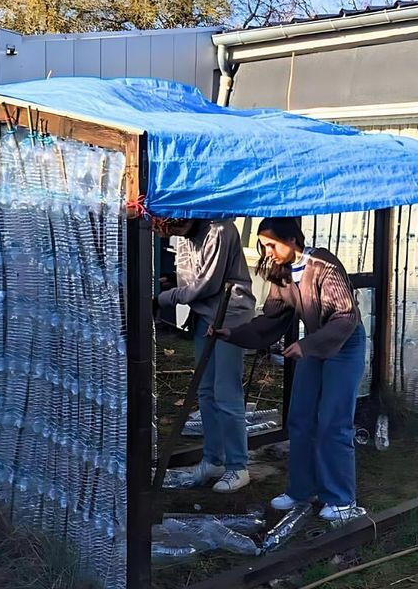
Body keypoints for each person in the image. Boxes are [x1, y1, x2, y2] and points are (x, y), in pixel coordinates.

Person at [217, 217, 366, 522]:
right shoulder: (282, 274)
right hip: (313, 344)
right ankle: (302, 489)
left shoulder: (323, 265)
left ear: (293, 240)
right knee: (299, 419)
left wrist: (307, 346)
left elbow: (345, 316)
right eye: (263, 245)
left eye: (271, 244)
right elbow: (272, 320)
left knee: (333, 423)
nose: (266, 250)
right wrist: (233, 334)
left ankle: (341, 499)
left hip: (344, 344)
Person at [157, 218, 256, 493]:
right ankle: (213, 459)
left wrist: (165, 298)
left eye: (175, 228)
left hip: (229, 315)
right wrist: (173, 284)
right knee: (206, 391)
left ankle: (238, 466)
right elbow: (192, 276)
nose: (174, 234)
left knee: (227, 393)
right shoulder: (189, 233)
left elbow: (207, 285)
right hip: (204, 315)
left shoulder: (220, 229)